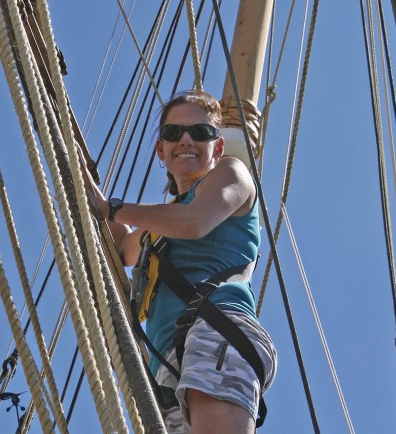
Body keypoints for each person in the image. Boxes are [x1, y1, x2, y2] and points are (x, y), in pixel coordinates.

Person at [92, 90, 276, 434]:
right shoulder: (157, 230)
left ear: (218, 147)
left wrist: (113, 208)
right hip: (163, 365)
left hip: (216, 331)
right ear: (160, 149)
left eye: (201, 132)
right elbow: (120, 250)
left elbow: (194, 222)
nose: (186, 140)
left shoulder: (232, 175)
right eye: (174, 133)